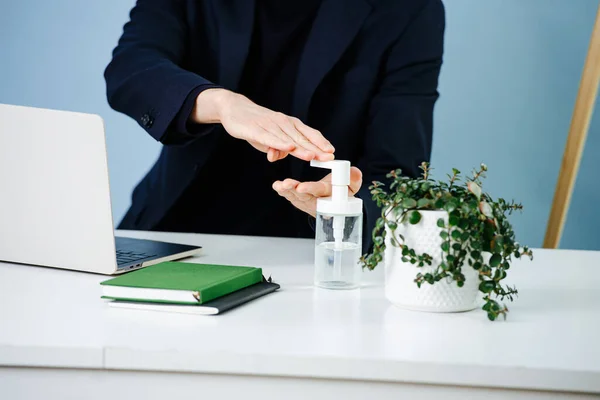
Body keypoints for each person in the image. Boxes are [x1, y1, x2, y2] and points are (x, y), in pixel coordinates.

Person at [104, 0, 445, 250]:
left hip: (310, 253)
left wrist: (344, 209)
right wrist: (225, 105)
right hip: (172, 232)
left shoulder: (410, 10)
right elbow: (131, 68)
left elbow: (396, 175)